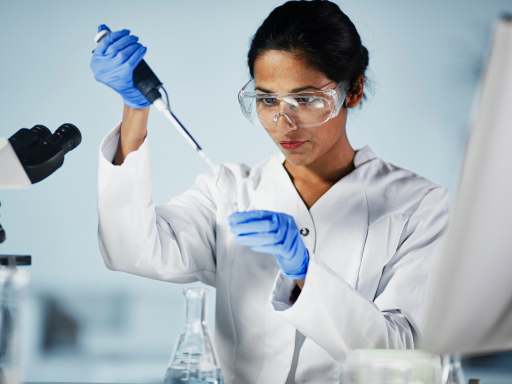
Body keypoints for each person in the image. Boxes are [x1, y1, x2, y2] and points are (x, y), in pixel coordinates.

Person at [91, 1, 449, 383]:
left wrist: (306, 274)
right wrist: (135, 108)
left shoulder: (418, 205)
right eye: (267, 100)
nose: (284, 123)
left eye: (307, 99)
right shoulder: (228, 192)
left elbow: (409, 360)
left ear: (354, 90)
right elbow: (130, 250)